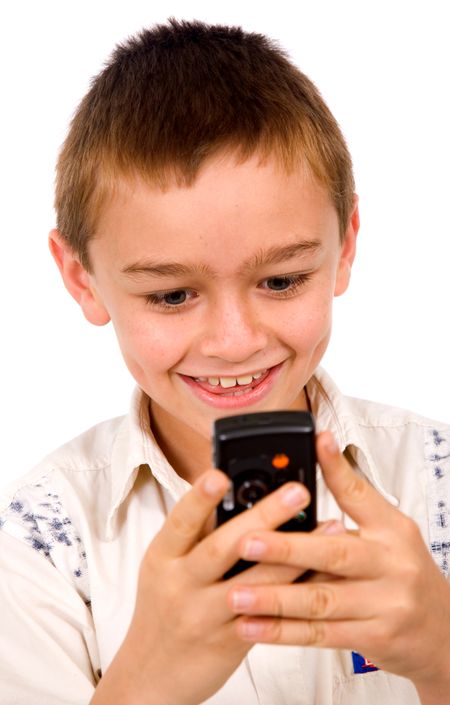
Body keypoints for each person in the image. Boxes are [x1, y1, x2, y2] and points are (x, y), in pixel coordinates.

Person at [1, 18, 449, 705]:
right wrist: (141, 684)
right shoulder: (37, 547)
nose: (235, 340)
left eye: (281, 280)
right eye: (173, 294)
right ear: (83, 277)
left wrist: (442, 649)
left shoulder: (434, 478)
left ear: (346, 245)